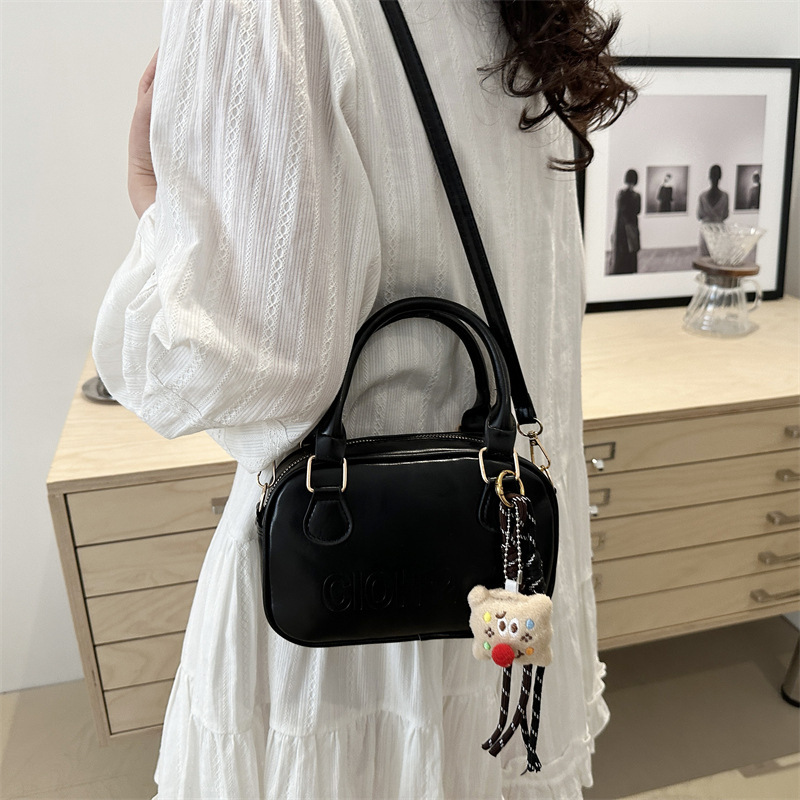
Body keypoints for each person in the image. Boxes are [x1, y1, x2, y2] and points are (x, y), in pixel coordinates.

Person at [93, 1, 635, 797]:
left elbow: (243, 370)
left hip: (353, 635)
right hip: (500, 569)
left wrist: (153, 209)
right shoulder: (530, 13)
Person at [610, 169, 641, 274]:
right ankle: (629, 270)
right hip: (629, 226)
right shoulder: (636, 196)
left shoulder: (621, 194)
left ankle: (621, 270)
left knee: (624, 250)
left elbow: (622, 210)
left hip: (623, 227)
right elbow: (637, 210)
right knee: (630, 250)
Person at [697, 164, 730, 255]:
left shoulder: (702, 196)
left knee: (704, 258)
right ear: (720, 177)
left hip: (706, 229)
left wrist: (708, 217)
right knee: (719, 256)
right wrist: (717, 217)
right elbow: (726, 215)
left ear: (709, 176)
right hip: (719, 229)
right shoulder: (725, 196)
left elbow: (699, 215)